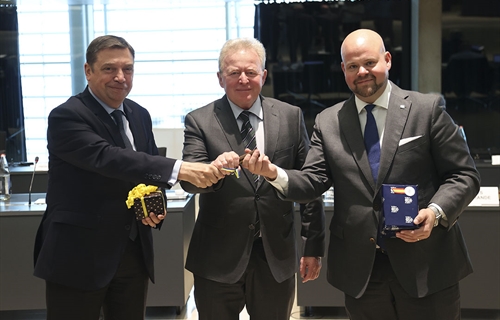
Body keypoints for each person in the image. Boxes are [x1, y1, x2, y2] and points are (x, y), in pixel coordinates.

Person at [242, 29, 481, 320]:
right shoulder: (329, 122)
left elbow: (463, 175)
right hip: (363, 273)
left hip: (426, 264)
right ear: (343, 69)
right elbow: (312, 182)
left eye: (369, 63)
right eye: (353, 66)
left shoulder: (426, 109)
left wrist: (435, 212)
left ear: (387, 60)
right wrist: (272, 173)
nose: (362, 72)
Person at [33, 35, 223, 320]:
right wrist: (179, 168)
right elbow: (108, 158)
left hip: (133, 253)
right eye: (109, 68)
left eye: (128, 69)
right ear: (88, 70)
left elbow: (143, 176)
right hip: (78, 255)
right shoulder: (68, 116)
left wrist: (154, 201)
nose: (120, 77)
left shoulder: (138, 114)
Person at [180, 37, 325, 320]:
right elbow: (188, 181)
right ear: (220, 78)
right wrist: (214, 171)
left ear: (264, 75)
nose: (243, 79)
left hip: (276, 256)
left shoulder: (290, 117)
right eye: (234, 73)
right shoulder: (199, 120)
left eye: (251, 72)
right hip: (217, 258)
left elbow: (310, 183)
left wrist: (313, 246)